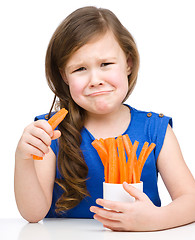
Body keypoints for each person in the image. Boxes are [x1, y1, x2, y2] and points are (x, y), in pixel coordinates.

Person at [14, 6, 195, 231]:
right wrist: (23, 157)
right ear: (64, 76)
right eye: (80, 68)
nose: (95, 79)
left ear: (128, 63)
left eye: (105, 64)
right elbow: (32, 214)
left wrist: (156, 220)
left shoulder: (155, 129)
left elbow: (191, 201)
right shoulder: (51, 132)